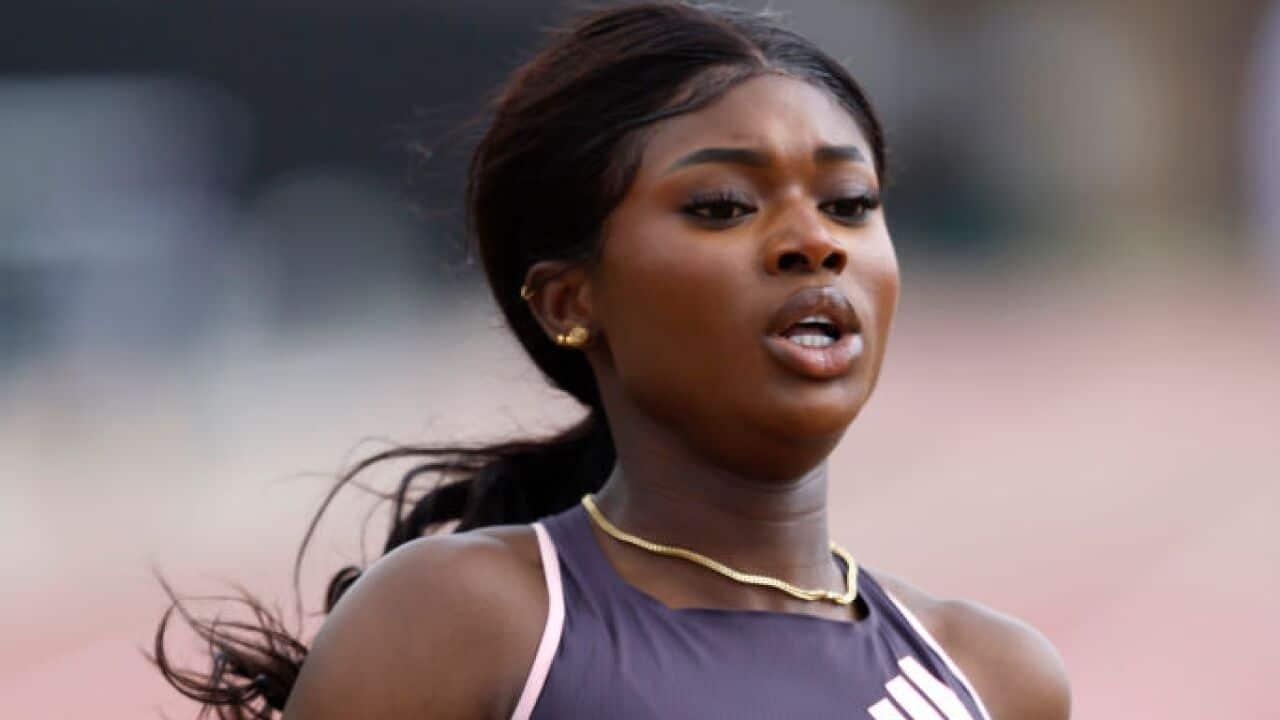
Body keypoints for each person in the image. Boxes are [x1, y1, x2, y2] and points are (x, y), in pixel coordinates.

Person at [155, 2, 1071, 718]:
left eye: (849, 202)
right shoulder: (467, 624)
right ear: (570, 301)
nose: (814, 243)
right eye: (720, 204)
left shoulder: (991, 679)